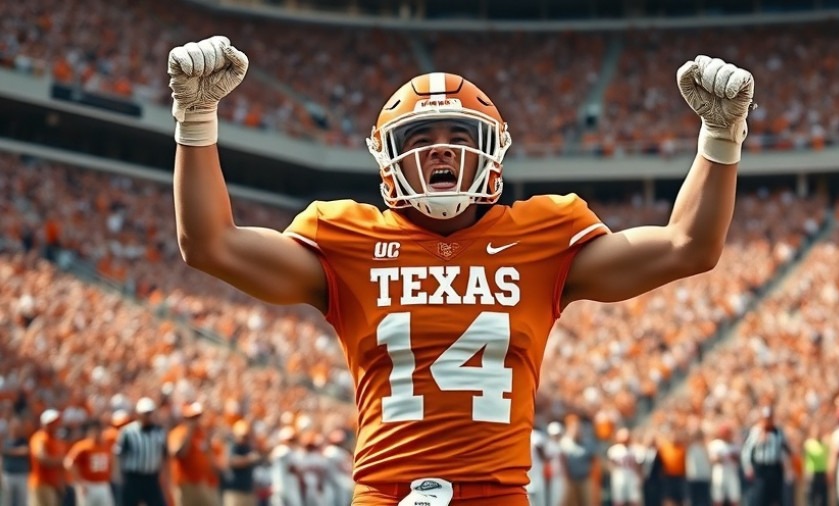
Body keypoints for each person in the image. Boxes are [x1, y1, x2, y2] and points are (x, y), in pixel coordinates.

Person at [167, 35, 755, 506]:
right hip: (382, 493)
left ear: (491, 150)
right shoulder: (348, 238)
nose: (442, 149)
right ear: (389, 157)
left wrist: (720, 135)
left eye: (459, 135)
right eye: (421, 137)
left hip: (497, 495)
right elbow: (210, 245)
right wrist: (196, 120)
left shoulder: (541, 237)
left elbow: (688, 245)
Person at [115, 398, 168, 506]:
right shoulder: (128, 432)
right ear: (138, 414)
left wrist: (165, 476)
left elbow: (164, 455)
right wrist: (118, 475)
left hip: (151, 477)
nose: (147, 416)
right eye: (145, 413)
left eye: (149, 413)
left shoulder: (159, 432)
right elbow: (119, 454)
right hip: (133, 477)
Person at [741, 406, 792, 506]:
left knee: (776, 498)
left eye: (770, 419)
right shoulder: (756, 431)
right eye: (766, 419)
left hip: (775, 468)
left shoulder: (778, 432)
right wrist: (748, 467)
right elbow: (747, 451)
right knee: (760, 496)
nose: (768, 421)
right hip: (761, 469)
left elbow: (785, 449)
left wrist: (788, 467)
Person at [64, 420, 115, 506]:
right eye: (96, 430)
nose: (98, 433)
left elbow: (112, 460)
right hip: (88, 485)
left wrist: (111, 475)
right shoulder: (83, 446)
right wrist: (80, 483)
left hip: (103, 484)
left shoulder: (106, 445)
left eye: (100, 430)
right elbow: (69, 463)